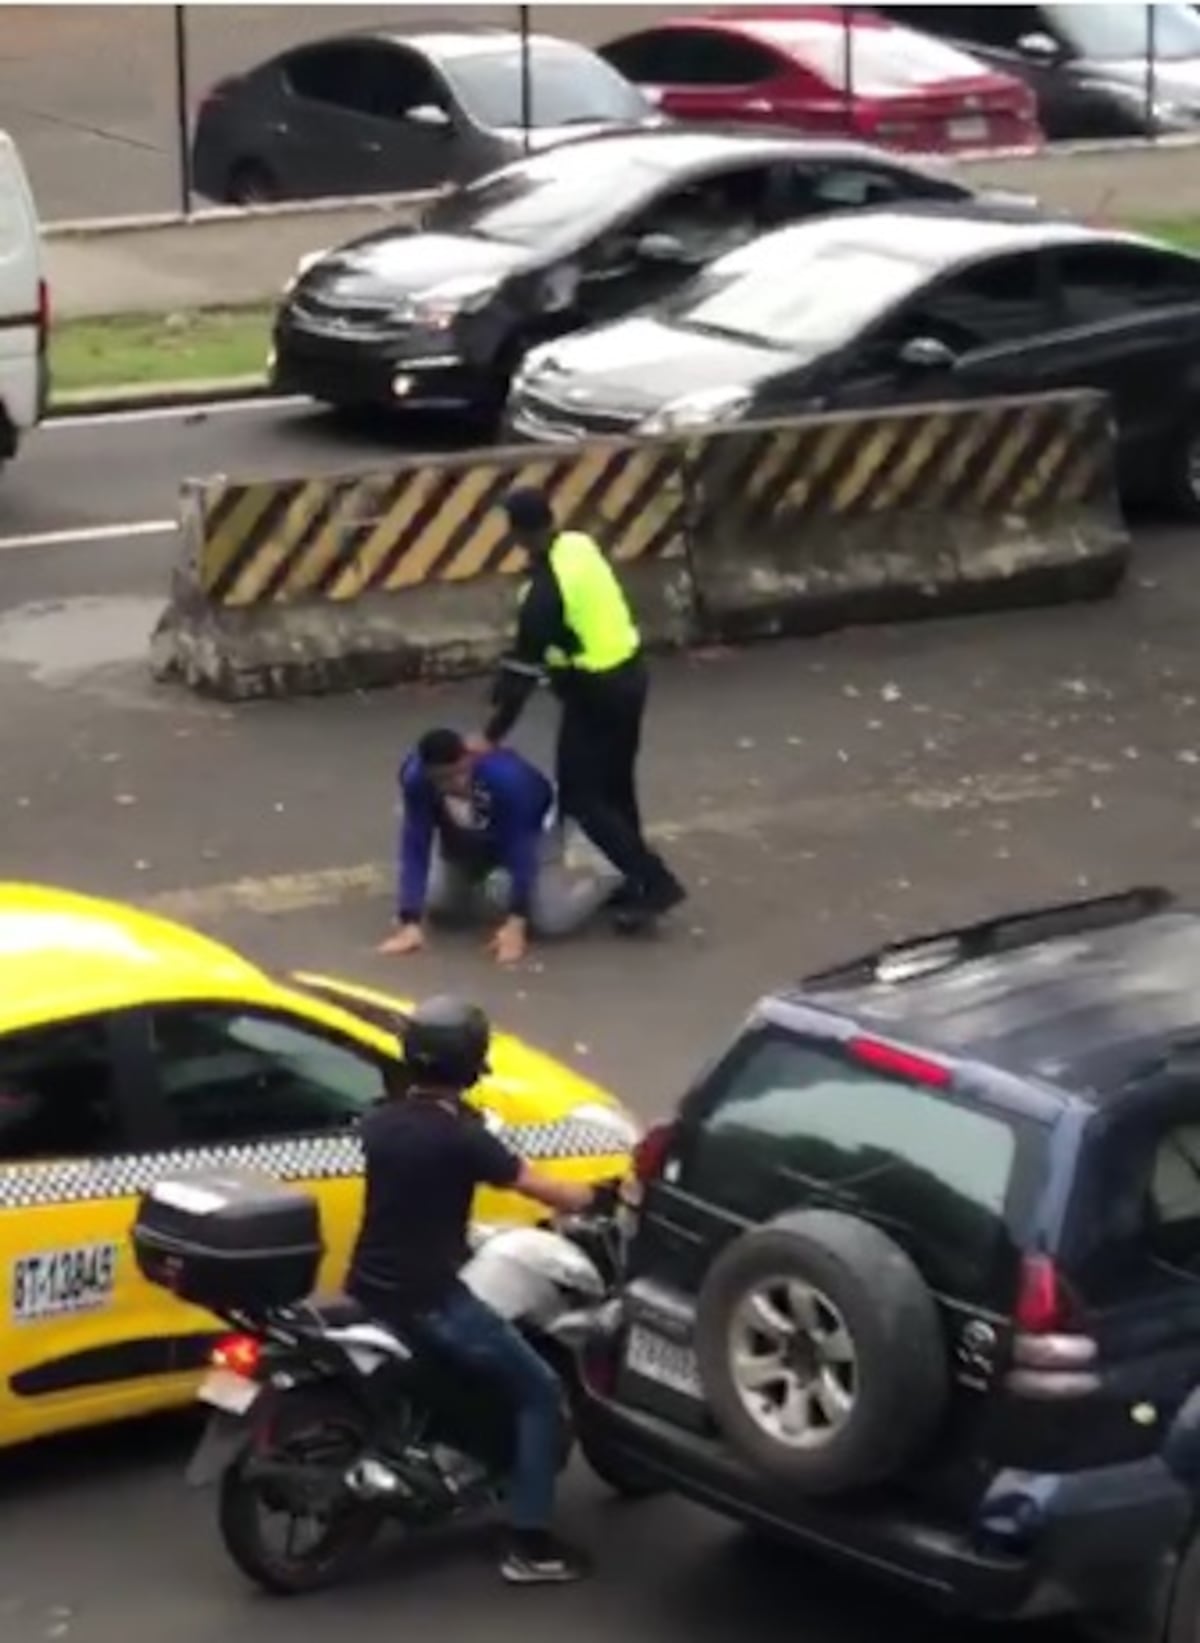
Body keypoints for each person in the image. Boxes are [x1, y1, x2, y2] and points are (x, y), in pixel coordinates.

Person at [347, 996, 608, 1585]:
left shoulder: (380, 1123)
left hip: (370, 1288)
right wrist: (599, 1195)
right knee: (539, 1392)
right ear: (470, 1064)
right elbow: (541, 1187)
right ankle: (528, 1544)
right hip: (432, 1300)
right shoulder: (463, 1138)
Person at [479, 488, 686, 934]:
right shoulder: (578, 545)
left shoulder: (542, 599)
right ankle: (633, 879)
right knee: (615, 787)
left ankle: (656, 883)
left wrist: (491, 736)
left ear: (516, 533)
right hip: (631, 676)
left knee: (582, 797)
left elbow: (521, 677)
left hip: (596, 694)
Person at [379, 728, 613, 966]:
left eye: (459, 773)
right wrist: (410, 920)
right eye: (442, 779)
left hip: (533, 830)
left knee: (550, 922)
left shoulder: (508, 781)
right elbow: (415, 842)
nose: (455, 784)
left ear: (468, 759)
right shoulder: (416, 779)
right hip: (469, 832)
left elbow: (522, 848)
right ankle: (493, 882)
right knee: (442, 906)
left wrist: (516, 922)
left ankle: (608, 872)